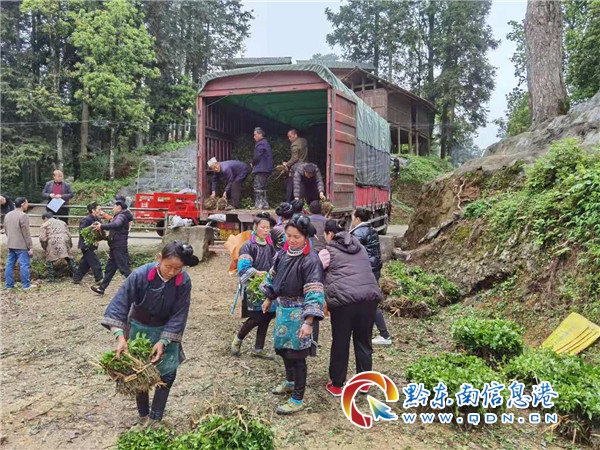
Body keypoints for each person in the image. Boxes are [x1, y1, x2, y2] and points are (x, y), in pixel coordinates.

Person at [101, 241, 199, 427]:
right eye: (168, 266)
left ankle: (155, 419)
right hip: (139, 329)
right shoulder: (140, 275)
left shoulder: (184, 281)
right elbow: (120, 303)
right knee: (140, 372)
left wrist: (164, 341)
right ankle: (143, 414)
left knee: (167, 375)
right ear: (159, 259)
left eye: (177, 268)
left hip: (166, 330)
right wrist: (120, 337)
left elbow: (180, 314)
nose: (172, 272)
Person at [261, 214, 324, 415]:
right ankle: (289, 382)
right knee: (282, 349)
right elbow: (274, 275)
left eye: (296, 236)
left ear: (305, 237)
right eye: (288, 235)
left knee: (297, 356)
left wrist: (309, 321)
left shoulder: (311, 260)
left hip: (300, 313)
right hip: (283, 310)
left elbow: (314, 291)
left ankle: (297, 398)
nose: (291, 240)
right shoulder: (283, 253)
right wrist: (269, 297)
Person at [319, 219, 382, 396]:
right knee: (363, 341)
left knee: (341, 341)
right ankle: (364, 383)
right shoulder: (360, 247)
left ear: (330, 234)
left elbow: (316, 271)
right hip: (369, 298)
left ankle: (337, 385)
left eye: (325, 235)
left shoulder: (327, 251)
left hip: (344, 301)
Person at [231, 212, 277, 359]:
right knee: (256, 317)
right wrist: (256, 273)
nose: (265, 230)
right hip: (253, 287)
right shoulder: (248, 246)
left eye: (267, 228)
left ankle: (258, 348)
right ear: (255, 227)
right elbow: (243, 267)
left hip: (267, 285)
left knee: (267, 316)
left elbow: (275, 262)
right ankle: (238, 340)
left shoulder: (270, 245)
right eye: (262, 227)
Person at [349, 208, 392, 345]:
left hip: (365, 271)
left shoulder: (357, 233)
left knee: (370, 303)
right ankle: (363, 330)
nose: (352, 220)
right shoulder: (372, 230)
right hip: (374, 269)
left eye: (352, 217)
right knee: (366, 301)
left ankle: (384, 334)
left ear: (357, 219)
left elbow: (351, 252)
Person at [90, 199, 133, 295]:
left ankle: (139, 287)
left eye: (114, 207)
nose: (113, 209)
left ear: (119, 207)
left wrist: (102, 226)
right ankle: (101, 288)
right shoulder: (121, 215)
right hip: (115, 246)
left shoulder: (121, 216)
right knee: (110, 269)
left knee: (124, 269)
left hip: (119, 247)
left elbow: (116, 224)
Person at [3, 197, 33, 290]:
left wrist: (11, 238)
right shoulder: (23, 215)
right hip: (21, 244)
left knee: (9, 265)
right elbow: (26, 233)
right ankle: (26, 285)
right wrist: (30, 246)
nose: (27, 205)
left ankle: (9, 285)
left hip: (11, 243)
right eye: (27, 203)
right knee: (24, 265)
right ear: (23, 204)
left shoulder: (8, 215)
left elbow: (6, 230)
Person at [39, 212, 77, 281]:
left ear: (45, 218)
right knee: (68, 257)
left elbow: (42, 238)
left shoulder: (44, 225)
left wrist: (45, 247)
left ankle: (51, 278)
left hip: (52, 242)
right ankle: (76, 274)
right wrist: (69, 245)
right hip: (64, 240)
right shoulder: (62, 222)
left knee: (49, 260)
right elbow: (69, 235)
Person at [73, 202, 105, 284]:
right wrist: (91, 228)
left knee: (85, 263)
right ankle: (99, 279)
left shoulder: (97, 219)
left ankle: (77, 278)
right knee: (95, 261)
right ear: (93, 210)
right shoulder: (86, 220)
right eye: (99, 209)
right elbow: (82, 232)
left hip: (92, 244)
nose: (100, 211)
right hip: (86, 245)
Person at [252, 127, 273, 209]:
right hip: (266, 169)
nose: (254, 137)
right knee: (263, 186)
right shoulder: (266, 143)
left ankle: (259, 204)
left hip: (261, 168)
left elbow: (257, 156)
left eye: (255, 135)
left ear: (260, 134)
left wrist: (252, 163)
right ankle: (265, 204)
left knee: (258, 186)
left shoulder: (261, 144)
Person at [284, 129, 308, 202]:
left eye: (290, 136)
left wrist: (287, 164)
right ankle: (302, 201)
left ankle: (290, 202)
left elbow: (295, 158)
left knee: (292, 184)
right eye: (288, 137)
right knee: (302, 184)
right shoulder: (304, 141)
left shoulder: (294, 144)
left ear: (295, 135)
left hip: (297, 167)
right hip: (305, 166)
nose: (289, 138)